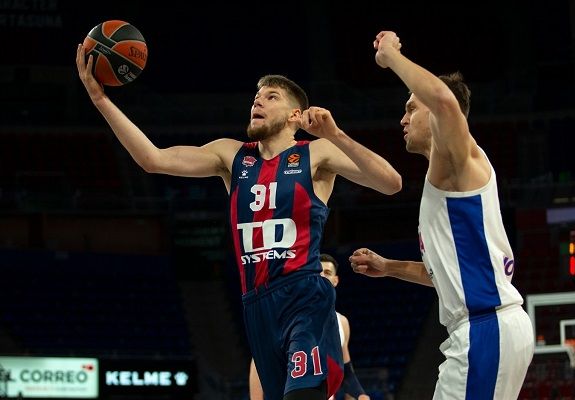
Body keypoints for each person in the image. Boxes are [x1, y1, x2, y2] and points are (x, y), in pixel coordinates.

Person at [76, 45, 401, 400]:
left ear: (295, 115)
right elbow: (152, 159)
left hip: (304, 296)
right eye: (256, 97)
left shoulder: (315, 153)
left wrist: (335, 135)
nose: (257, 102)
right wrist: (100, 100)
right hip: (256, 305)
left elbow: (390, 183)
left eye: (271, 97)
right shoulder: (231, 155)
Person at [349, 31, 534, 400]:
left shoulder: (458, 159)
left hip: (484, 329)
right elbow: (446, 276)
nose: (402, 119)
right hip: (490, 328)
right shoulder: (446, 179)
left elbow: (446, 103)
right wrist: (389, 267)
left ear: (434, 113)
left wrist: (391, 56)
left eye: (411, 108)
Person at [248, 253, 370, 400]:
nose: (322, 276)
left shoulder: (342, 322)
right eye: (318, 272)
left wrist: (361, 395)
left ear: (335, 280)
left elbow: (346, 372)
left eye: (327, 273)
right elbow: (260, 363)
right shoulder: (286, 316)